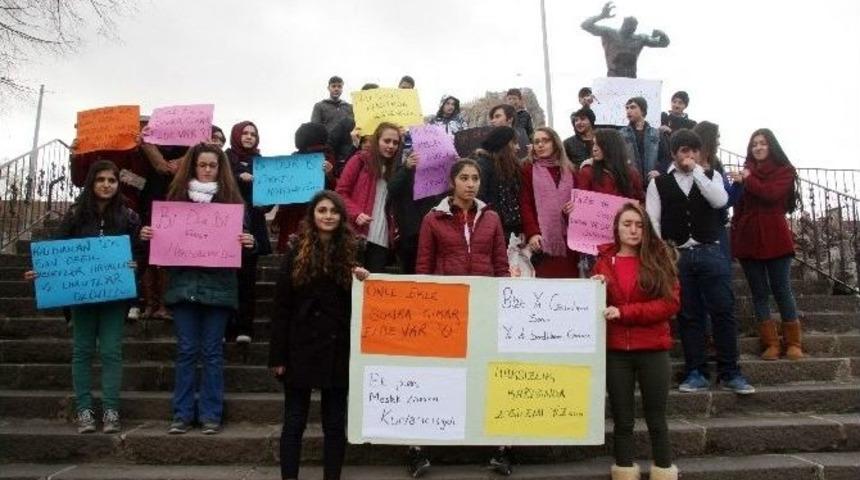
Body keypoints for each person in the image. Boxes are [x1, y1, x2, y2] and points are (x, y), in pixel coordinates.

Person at [139, 143, 256, 434]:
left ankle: (211, 415)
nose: (206, 170)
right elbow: (161, 244)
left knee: (213, 352)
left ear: (220, 168)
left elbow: (248, 246)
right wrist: (147, 235)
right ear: (193, 167)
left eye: (212, 165)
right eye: (202, 165)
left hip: (219, 288)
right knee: (187, 350)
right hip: (183, 287)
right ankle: (181, 414)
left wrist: (249, 242)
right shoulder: (174, 200)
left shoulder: (232, 202)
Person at [24, 160, 140, 434]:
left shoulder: (129, 216)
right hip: (81, 296)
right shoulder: (75, 215)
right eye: (100, 180)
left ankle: (111, 408)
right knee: (82, 351)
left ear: (117, 184)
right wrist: (40, 271)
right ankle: (84, 409)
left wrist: (135, 264)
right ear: (91, 183)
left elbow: (139, 253)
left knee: (111, 351)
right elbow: (57, 250)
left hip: (114, 297)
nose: (106, 185)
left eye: (111, 180)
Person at [412, 159, 512, 476]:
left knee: (490, 373)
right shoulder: (433, 219)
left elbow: (501, 265)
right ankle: (418, 449)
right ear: (453, 181)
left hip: (484, 307)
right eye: (464, 178)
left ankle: (502, 448)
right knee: (437, 375)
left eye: (475, 178)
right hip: (445, 307)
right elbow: (424, 266)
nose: (471, 184)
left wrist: (502, 302)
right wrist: (425, 306)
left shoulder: (493, 217)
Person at [269, 190, 369, 480]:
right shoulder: (295, 252)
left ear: (341, 216)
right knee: (294, 422)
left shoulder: (352, 252)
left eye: (334, 211)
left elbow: (362, 304)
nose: (328, 216)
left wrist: (363, 278)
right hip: (299, 347)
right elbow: (281, 308)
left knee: (335, 424)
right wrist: (278, 356)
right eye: (322, 210)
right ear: (313, 215)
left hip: (337, 348)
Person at [645, 129, 754, 395]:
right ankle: (696, 372)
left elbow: (721, 201)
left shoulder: (711, 176)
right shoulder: (658, 183)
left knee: (723, 311)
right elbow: (653, 220)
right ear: (674, 153)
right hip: (679, 255)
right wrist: (664, 253)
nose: (690, 155)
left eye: (694, 150)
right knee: (689, 315)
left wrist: (696, 172)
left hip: (711, 251)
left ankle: (731, 371)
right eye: (684, 150)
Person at [591, 203, 680, 480]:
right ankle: (625, 470)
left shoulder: (659, 258)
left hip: (653, 349)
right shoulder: (603, 262)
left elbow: (669, 304)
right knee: (622, 420)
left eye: (639, 225)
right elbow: (597, 307)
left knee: (656, 418)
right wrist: (595, 291)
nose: (633, 230)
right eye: (627, 224)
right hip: (617, 351)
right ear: (616, 228)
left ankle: (663, 470)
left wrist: (625, 312)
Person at [729, 129, 804, 361]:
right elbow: (738, 207)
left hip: (775, 236)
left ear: (771, 146)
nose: (758, 148)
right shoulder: (745, 173)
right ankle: (770, 342)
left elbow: (771, 194)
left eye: (762, 143)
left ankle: (793, 342)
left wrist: (748, 179)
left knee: (782, 289)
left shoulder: (785, 171)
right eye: (754, 144)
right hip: (749, 238)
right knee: (759, 293)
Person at [225, 121, 272, 344]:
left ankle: (245, 327)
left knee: (247, 280)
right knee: (226, 280)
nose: (249, 137)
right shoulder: (225, 158)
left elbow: (268, 199)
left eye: (253, 133)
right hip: (224, 227)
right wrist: (237, 177)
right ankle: (225, 327)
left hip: (252, 226)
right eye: (245, 133)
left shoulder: (261, 163)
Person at [336, 122, 400, 272]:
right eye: (387, 141)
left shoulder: (396, 170)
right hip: (356, 235)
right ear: (376, 140)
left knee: (371, 291)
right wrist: (356, 214)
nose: (391, 146)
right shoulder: (358, 161)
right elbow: (340, 192)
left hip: (381, 239)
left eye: (395, 143)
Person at [520, 127, 579, 278]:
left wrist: (575, 206)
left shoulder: (570, 170)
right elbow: (525, 203)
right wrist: (532, 233)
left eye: (545, 141)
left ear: (555, 143)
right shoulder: (528, 169)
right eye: (536, 142)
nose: (540, 145)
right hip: (542, 242)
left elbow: (579, 200)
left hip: (569, 241)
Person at [274, 123, 337, 253]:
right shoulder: (329, 157)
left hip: (295, 216)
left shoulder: (295, 160)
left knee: (293, 254)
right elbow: (336, 190)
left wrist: (278, 217)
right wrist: (330, 175)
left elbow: (286, 195)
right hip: (319, 214)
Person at [387, 147, 445, 275]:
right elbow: (392, 188)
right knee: (410, 271)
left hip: (432, 231)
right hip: (410, 233)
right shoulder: (405, 170)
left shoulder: (436, 173)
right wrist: (406, 168)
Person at [581, 1, 670, 78]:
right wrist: (601, 16)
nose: (630, 28)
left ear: (635, 28)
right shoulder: (609, 33)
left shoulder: (640, 38)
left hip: (631, 78)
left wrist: (661, 34)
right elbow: (585, 25)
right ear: (623, 24)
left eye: (633, 26)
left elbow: (664, 43)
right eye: (628, 25)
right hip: (613, 77)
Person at [472, 126, 523, 239]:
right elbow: (478, 200)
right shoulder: (483, 166)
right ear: (504, 145)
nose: (518, 147)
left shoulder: (512, 166)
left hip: (513, 230)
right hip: (494, 231)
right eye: (514, 143)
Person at [578, 128, 644, 202]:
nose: (594, 149)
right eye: (593, 144)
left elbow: (640, 201)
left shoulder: (632, 173)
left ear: (612, 147)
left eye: (599, 144)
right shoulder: (587, 171)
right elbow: (580, 203)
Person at [619, 97, 669, 185]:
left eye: (633, 107)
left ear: (642, 110)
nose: (628, 111)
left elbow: (666, 157)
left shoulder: (656, 134)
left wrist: (659, 171)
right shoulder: (620, 134)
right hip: (630, 184)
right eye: (627, 108)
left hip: (652, 183)